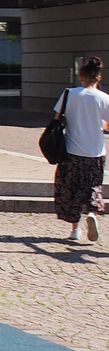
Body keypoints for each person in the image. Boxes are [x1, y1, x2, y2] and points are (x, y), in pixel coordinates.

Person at [52, 56, 109, 244]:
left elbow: (58, 118)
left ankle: (75, 229)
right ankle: (92, 212)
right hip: (95, 151)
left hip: (71, 150)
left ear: (81, 76)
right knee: (93, 185)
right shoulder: (104, 98)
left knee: (70, 188)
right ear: (98, 77)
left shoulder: (70, 94)